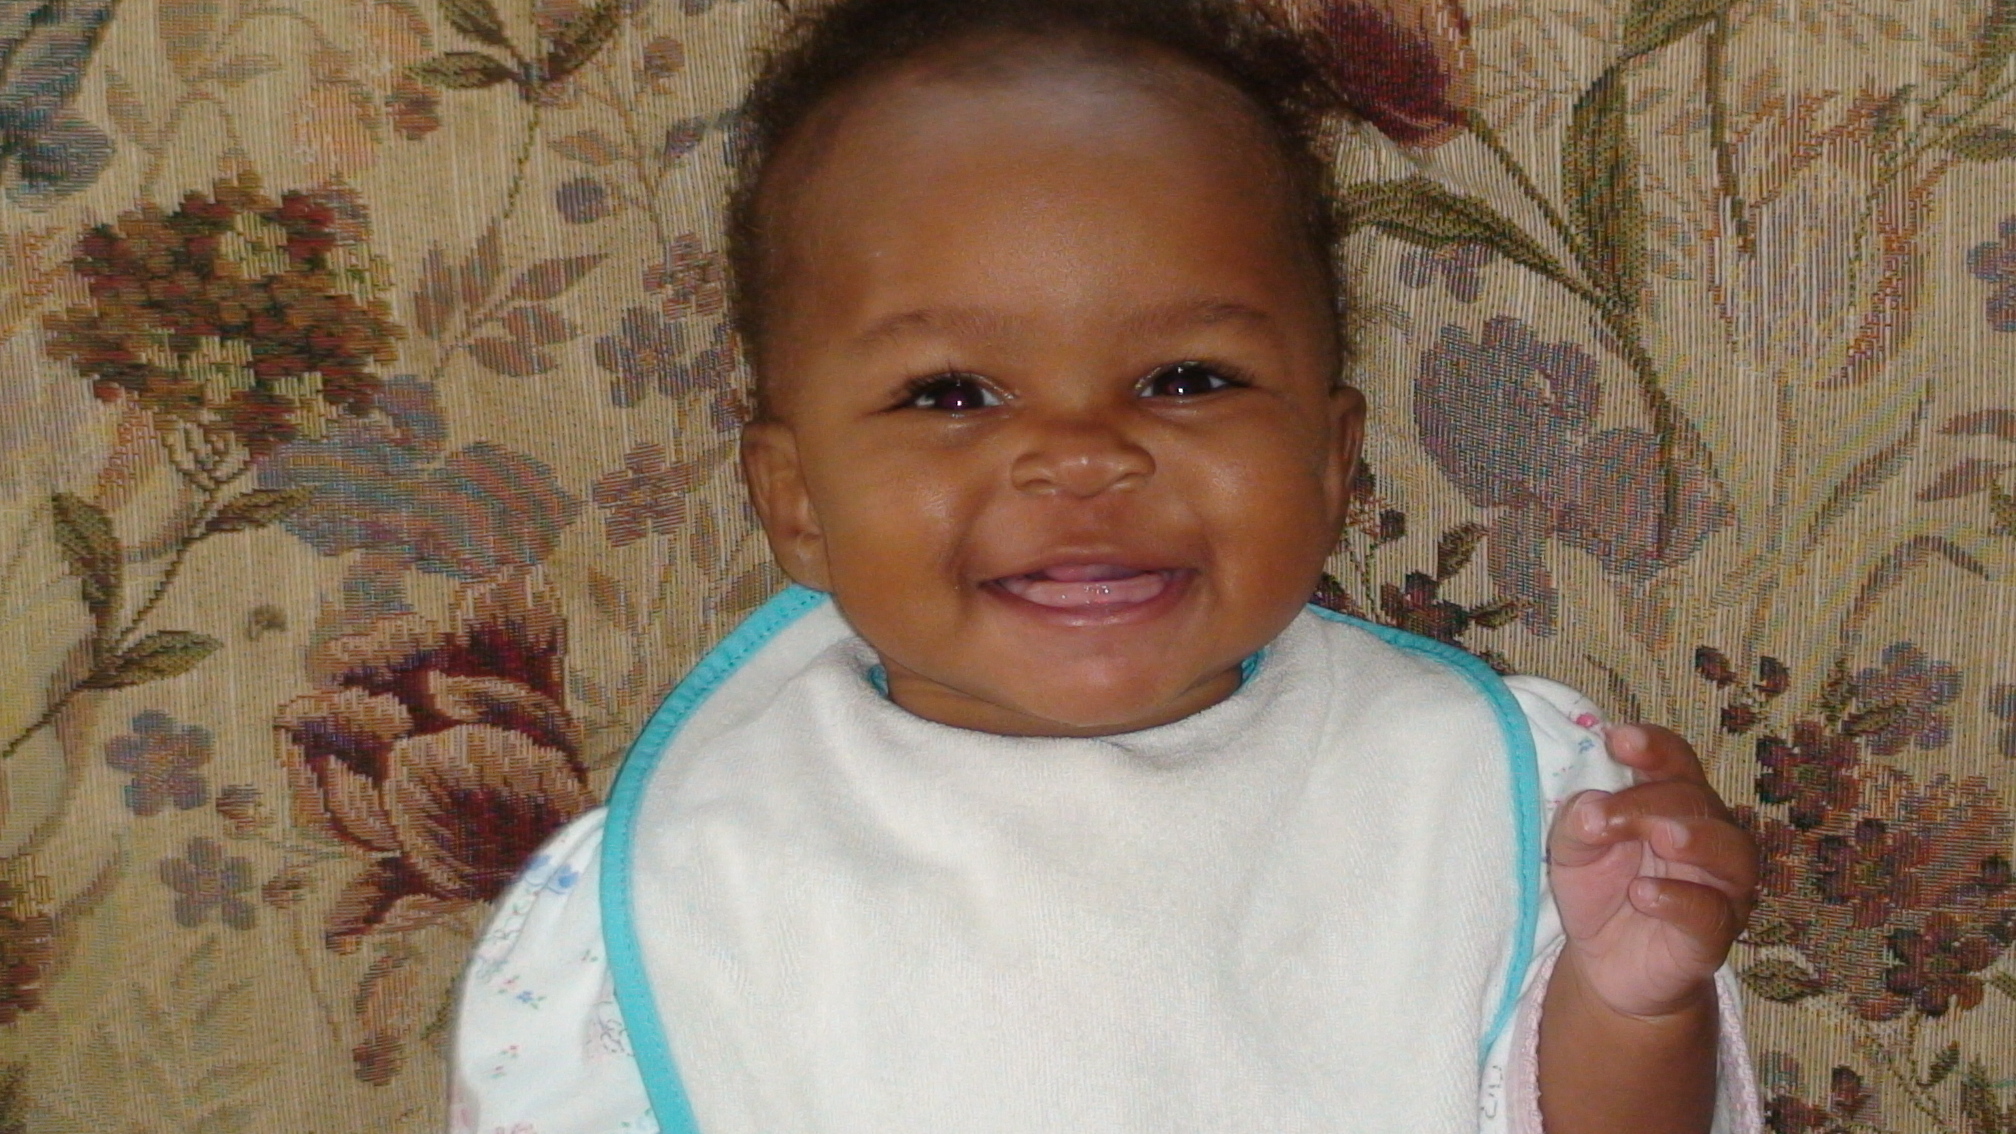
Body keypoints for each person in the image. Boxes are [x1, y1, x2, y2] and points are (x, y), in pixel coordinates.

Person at [450, 0, 1762, 1130]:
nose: (1081, 456)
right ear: (794, 501)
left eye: (1186, 378)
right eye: (950, 393)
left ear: (1330, 460)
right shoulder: (690, 880)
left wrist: (1634, 1007)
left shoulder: (1493, 804)